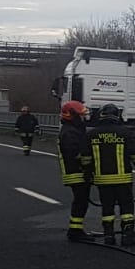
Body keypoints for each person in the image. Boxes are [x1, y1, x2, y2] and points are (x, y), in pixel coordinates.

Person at [86, 103, 135, 246]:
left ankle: (109, 236)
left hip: (102, 179)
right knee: (126, 208)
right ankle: (128, 236)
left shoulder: (92, 134)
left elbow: (86, 157)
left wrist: (88, 173)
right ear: (117, 116)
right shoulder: (125, 133)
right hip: (123, 179)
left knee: (107, 208)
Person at [57, 100, 93, 242]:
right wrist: (89, 165)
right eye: (81, 116)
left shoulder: (72, 130)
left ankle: (76, 229)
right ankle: (75, 231)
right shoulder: (70, 133)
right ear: (72, 116)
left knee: (81, 201)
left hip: (77, 171)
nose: (83, 119)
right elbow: (76, 153)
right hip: (76, 172)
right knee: (80, 201)